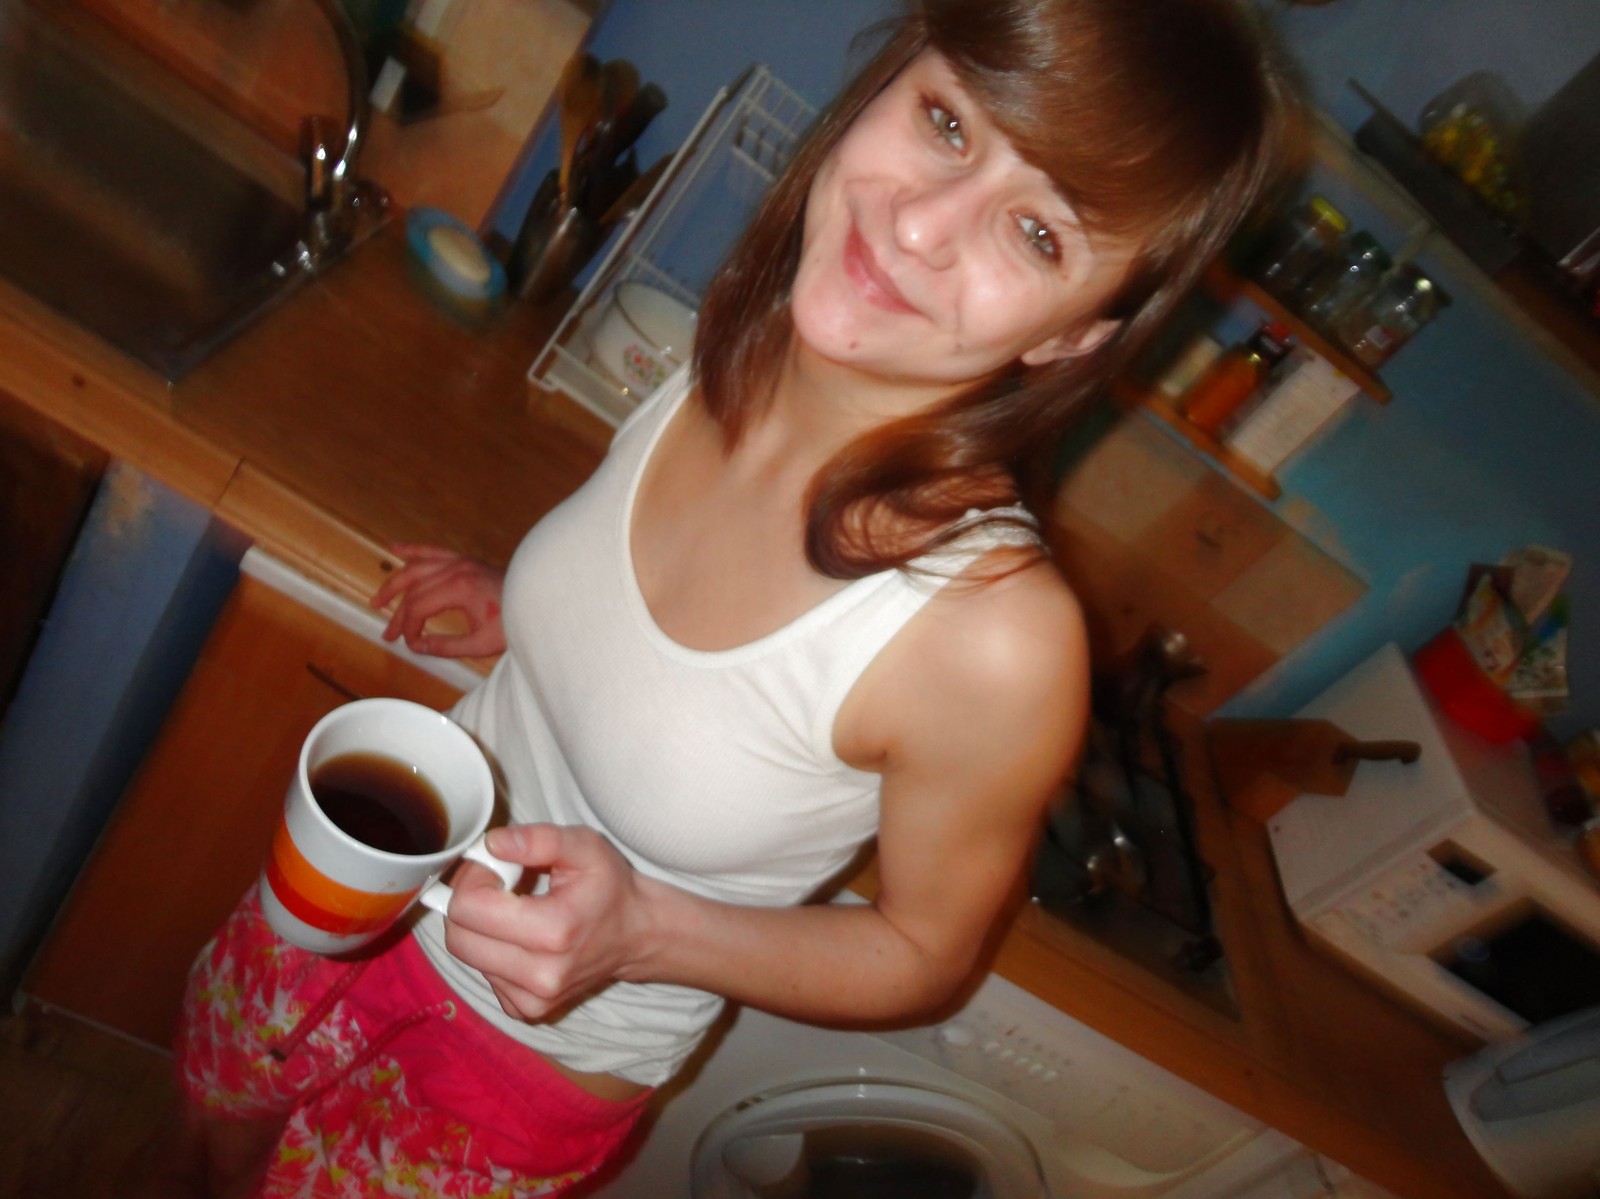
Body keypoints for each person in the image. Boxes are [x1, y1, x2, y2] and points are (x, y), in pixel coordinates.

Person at [154, 0, 1291, 1193]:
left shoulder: (993, 638)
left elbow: (922, 953)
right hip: (368, 891)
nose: (918, 224)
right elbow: (669, 634)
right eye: (949, 123)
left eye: (1038, 234)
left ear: (1075, 338)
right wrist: (529, 606)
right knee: (198, 1143)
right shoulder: (739, 352)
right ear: (888, 80)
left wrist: (644, 928)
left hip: (513, 1069)